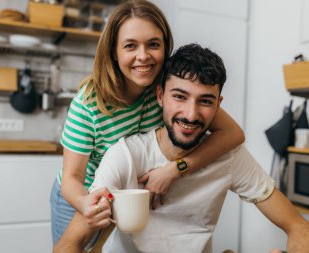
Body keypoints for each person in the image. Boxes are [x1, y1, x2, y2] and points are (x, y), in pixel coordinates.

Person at [54, 44, 309, 253]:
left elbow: (298, 226)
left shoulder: (229, 157)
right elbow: (68, 244)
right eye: (179, 96)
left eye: (205, 101)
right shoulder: (126, 155)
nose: (190, 114)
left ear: (218, 105)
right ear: (159, 96)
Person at [50, 0, 245, 247]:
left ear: (165, 47)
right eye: (130, 45)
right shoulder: (89, 102)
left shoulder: (171, 90)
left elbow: (233, 134)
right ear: (114, 51)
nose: (143, 56)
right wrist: (85, 204)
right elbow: (71, 178)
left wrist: (176, 169)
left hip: (129, 192)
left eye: (153, 44)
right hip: (85, 196)